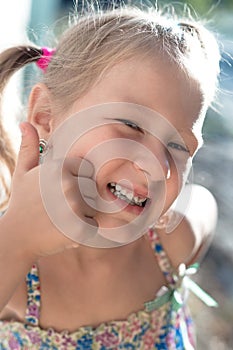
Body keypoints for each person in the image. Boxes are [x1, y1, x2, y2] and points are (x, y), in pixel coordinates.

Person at [0, 3, 220, 349]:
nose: (155, 166)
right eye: (131, 124)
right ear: (45, 116)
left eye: (178, 146)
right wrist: (14, 241)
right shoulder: (12, 273)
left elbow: (204, 206)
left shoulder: (169, 245)